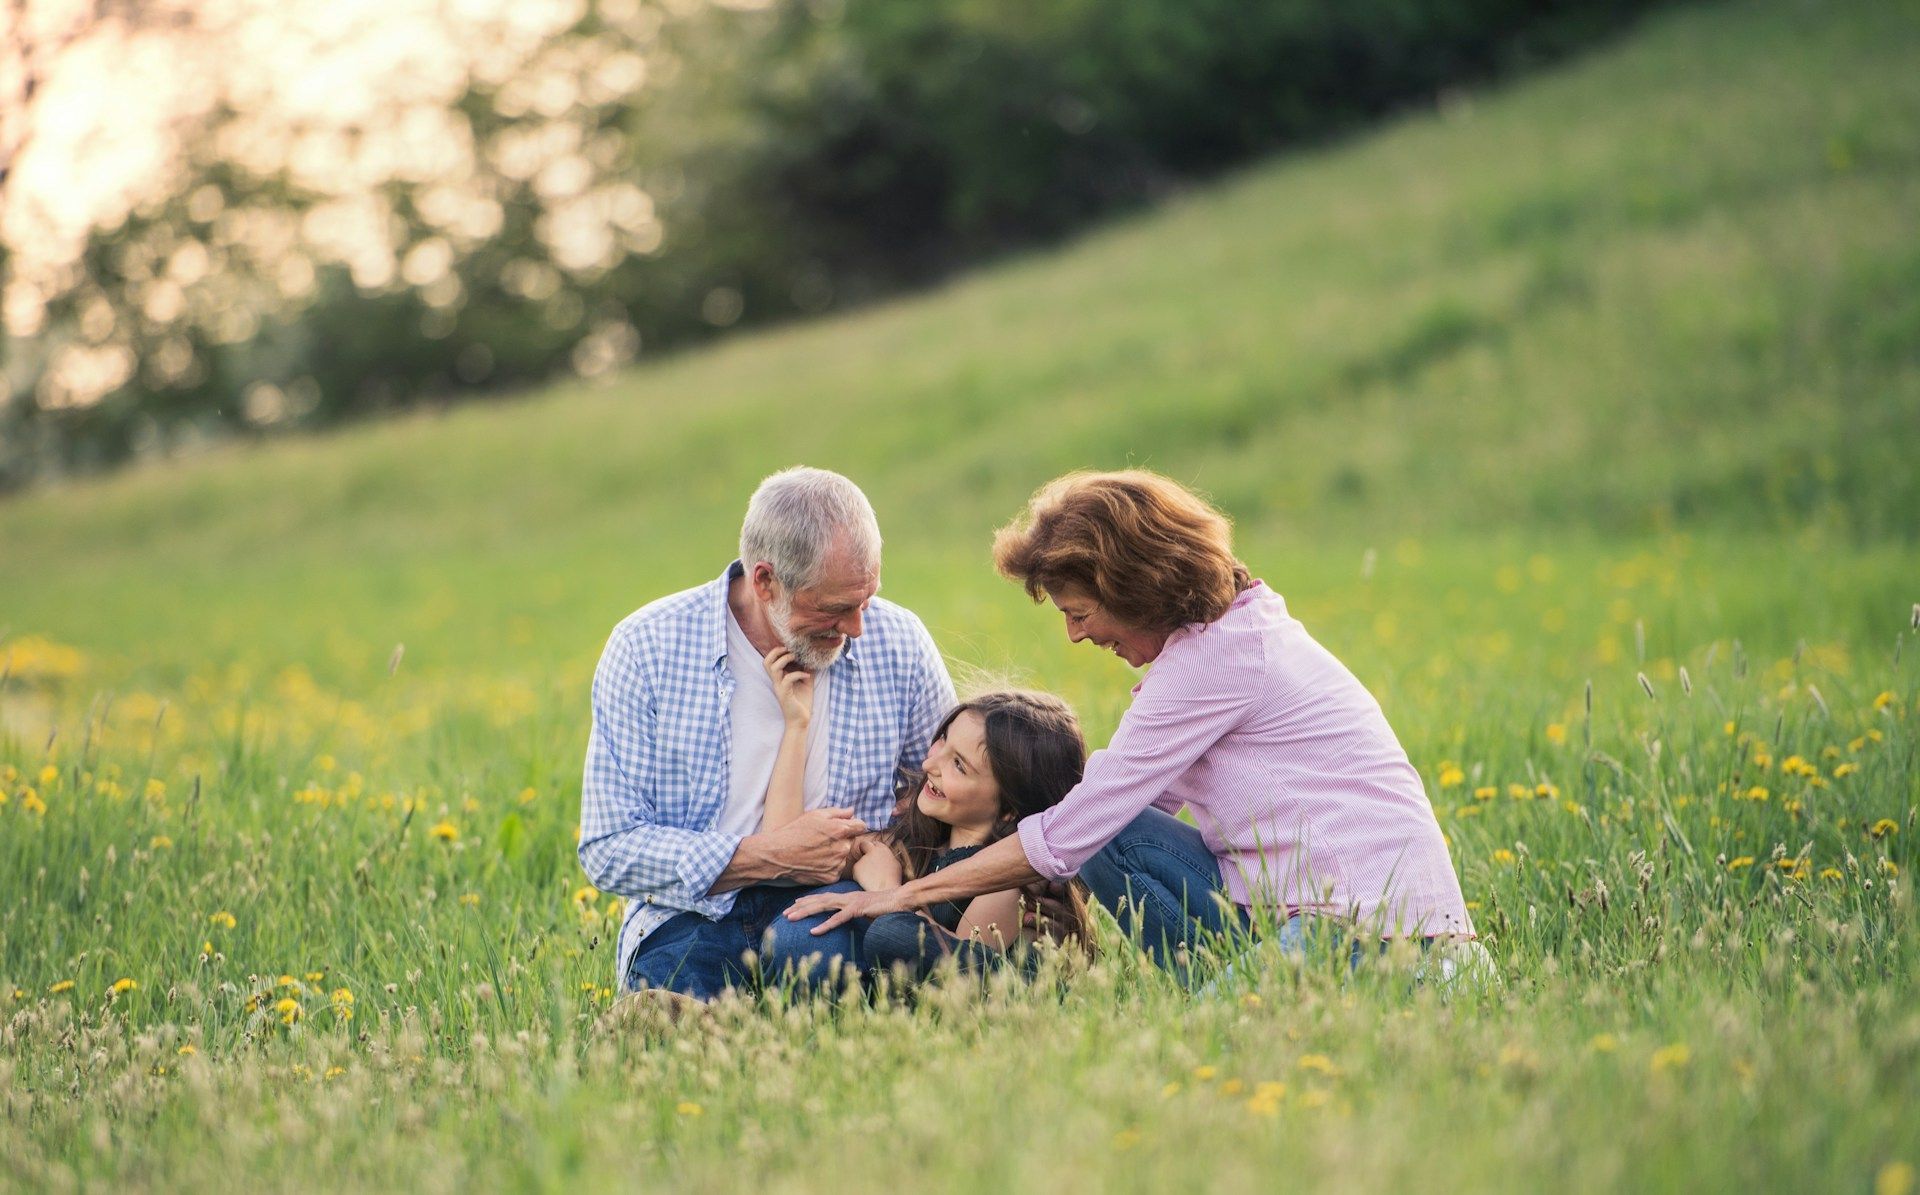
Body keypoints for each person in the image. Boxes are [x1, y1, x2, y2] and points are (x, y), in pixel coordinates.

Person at [787, 470, 1475, 981]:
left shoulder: (1217, 662)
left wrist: (901, 895)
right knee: (1103, 823)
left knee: (1214, 1040)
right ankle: (1032, 974)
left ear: (1135, 585)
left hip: (1375, 933)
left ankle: (1226, 987)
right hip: (1293, 913)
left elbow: (1071, 829)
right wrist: (1036, 899)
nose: (1075, 635)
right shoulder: (1227, 637)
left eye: (1079, 611)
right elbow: (1108, 823)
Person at [579, 466, 955, 1000]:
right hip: (695, 912)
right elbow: (609, 847)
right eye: (834, 608)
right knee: (676, 996)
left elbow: (952, 794)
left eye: (866, 600)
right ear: (765, 581)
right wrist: (770, 854)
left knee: (817, 960)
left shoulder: (899, 641)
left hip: (839, 899)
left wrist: (874, 850)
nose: (856, 629)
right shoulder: (647, 647)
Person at [762, 683, 1091, 983]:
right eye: (942, 741)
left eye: (959, 765)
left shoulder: (1004, 885)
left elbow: (953, 973)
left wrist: (885, 888)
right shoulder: (917, 839)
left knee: (890, 934)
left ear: (1009, 807)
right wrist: (797, 726)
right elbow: (784, 844)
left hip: (963, 1013)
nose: (930, 765)